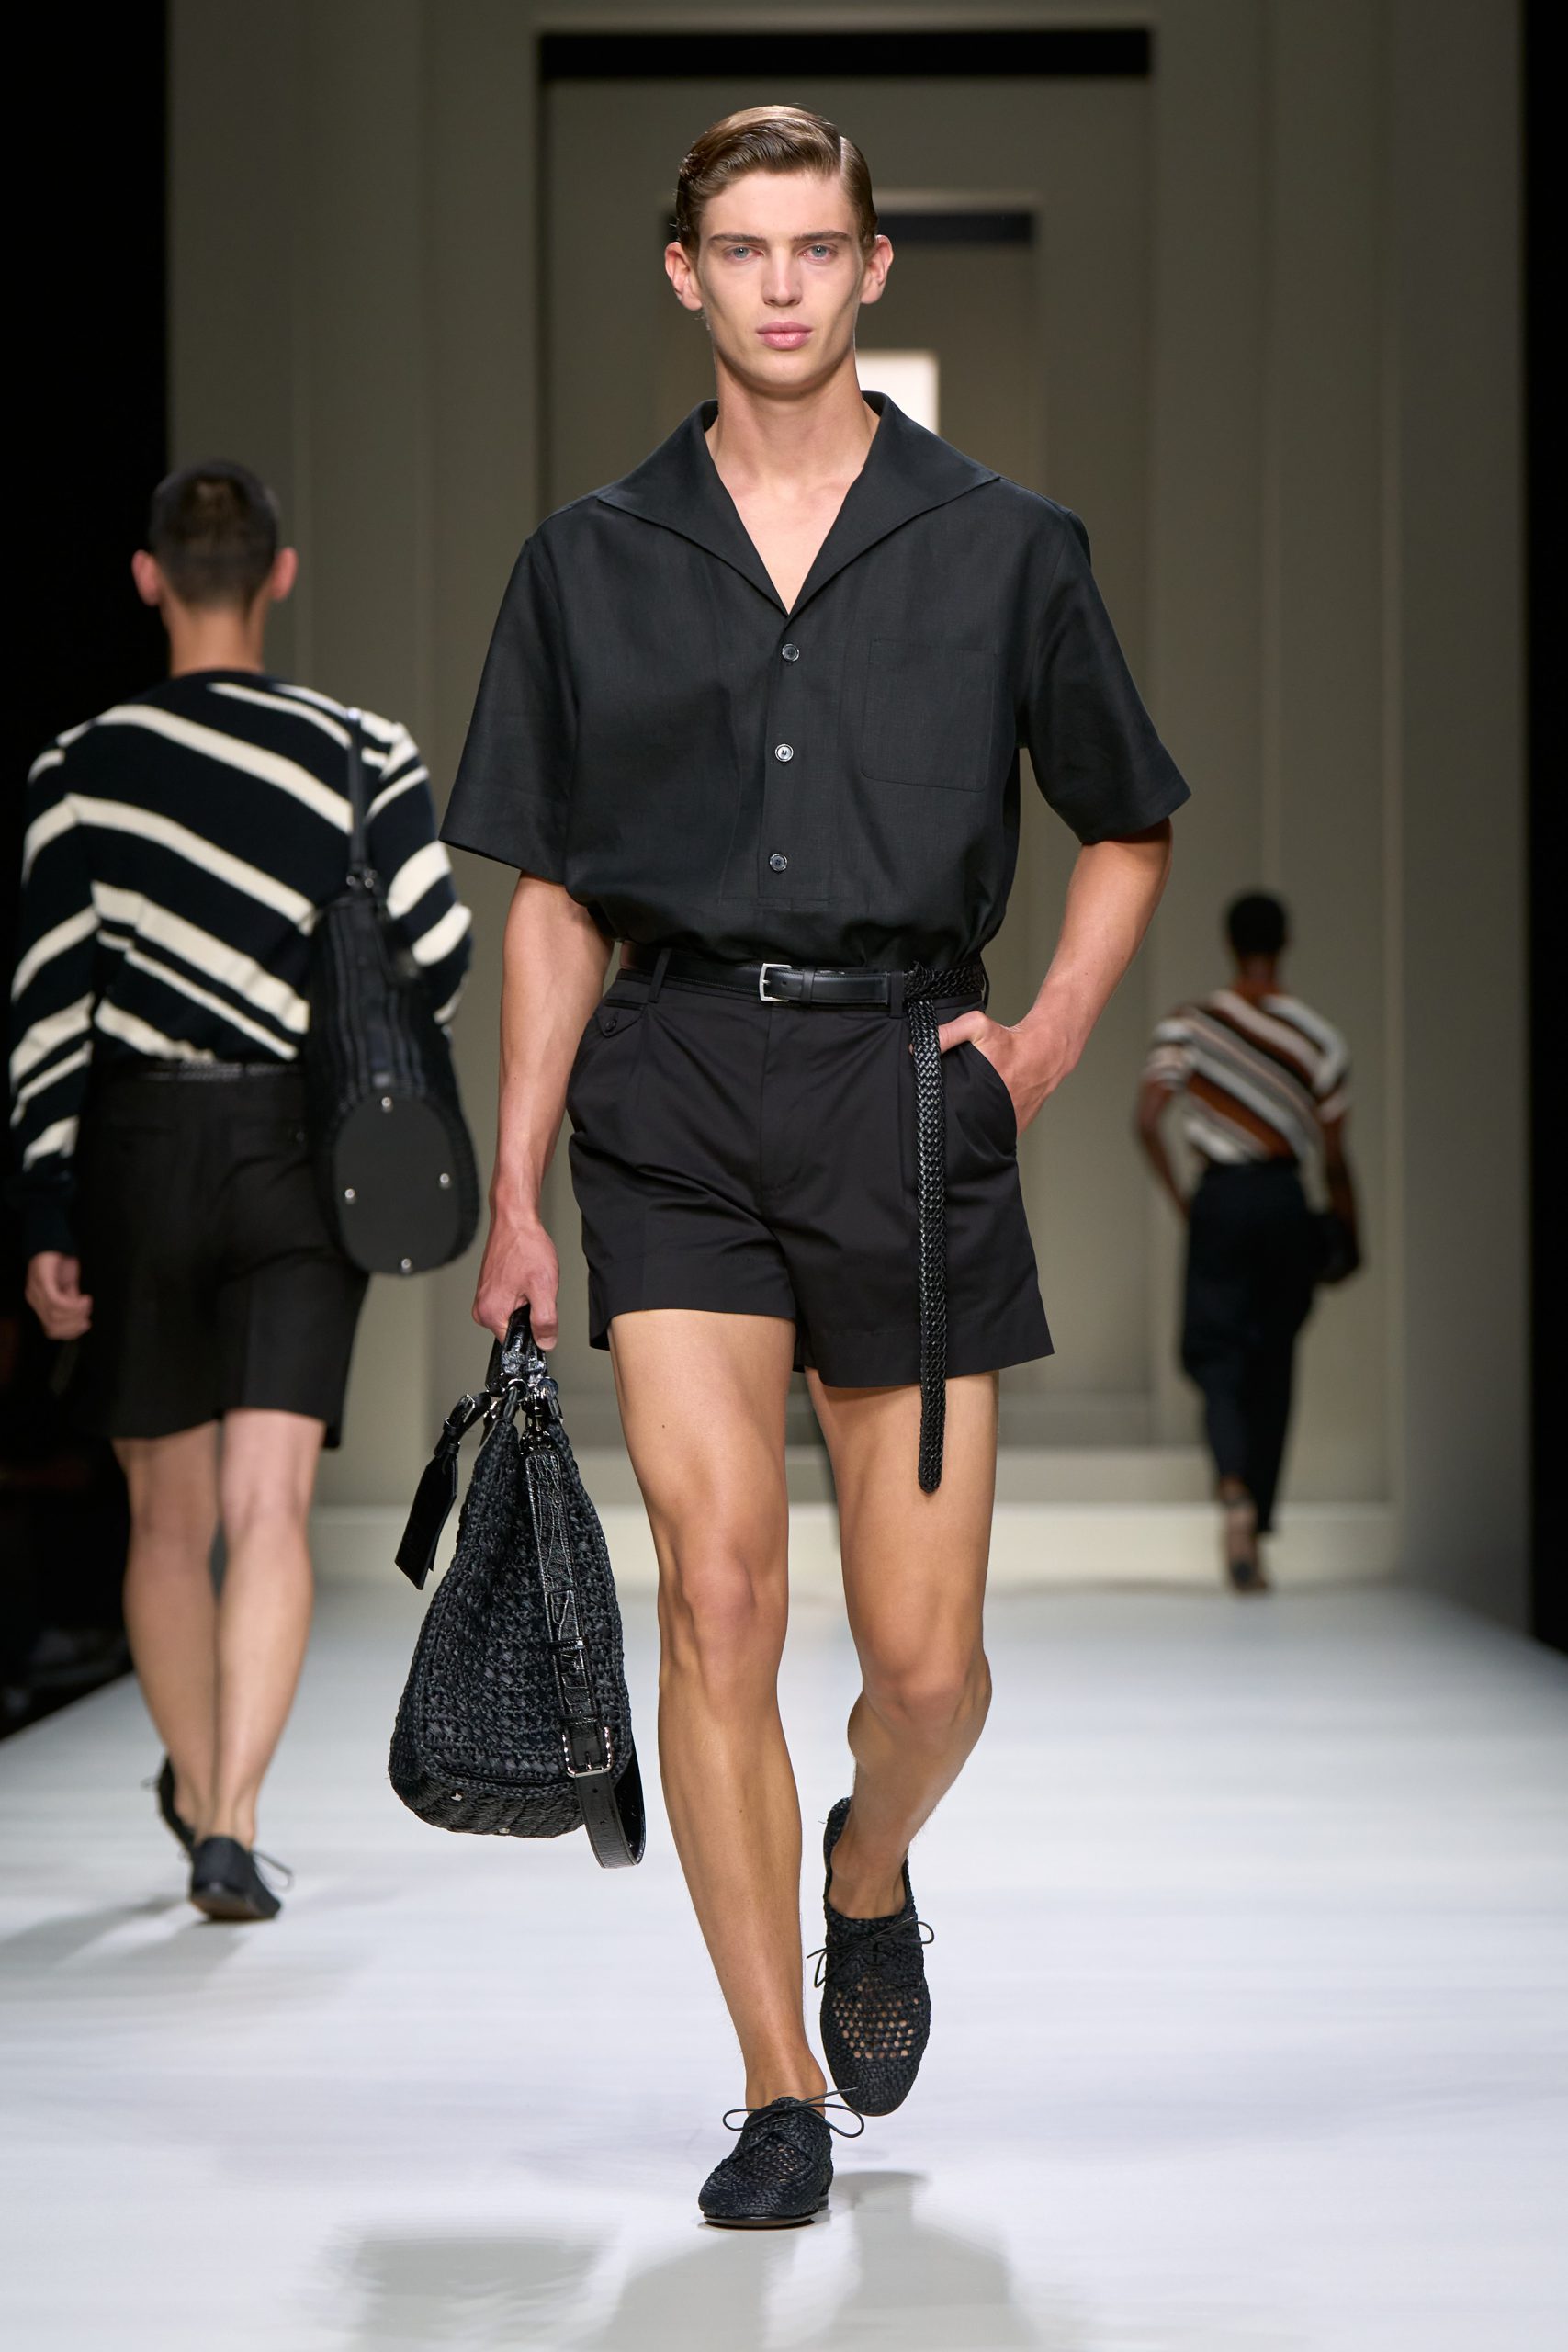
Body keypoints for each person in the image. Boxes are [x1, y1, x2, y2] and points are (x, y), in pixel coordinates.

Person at [444, 106, 1187, 2225]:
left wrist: (1043, 1037)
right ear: (683, 274)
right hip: (669, 1092)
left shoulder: (1005, 543)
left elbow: (1125, 818)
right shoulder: (586, 559)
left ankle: (865, 1864)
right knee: (717, 1591)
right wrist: (516, 1182)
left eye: (814, 245)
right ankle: (773, 2082)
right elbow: (551, 894)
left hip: (903, 1089)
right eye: (741, 248)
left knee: (926, 1664)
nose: (780, 283)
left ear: (870, 266)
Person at [8, 460, 471, 1917]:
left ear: (148, 579)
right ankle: (233, 1822)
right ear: (279, 575)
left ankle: (204, 1793)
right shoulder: (358, 751)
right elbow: (441, 957)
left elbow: (47, 1008)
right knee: (269, 1506)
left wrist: (44, 1207)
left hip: (137, 1153)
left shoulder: (78, 767)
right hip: (297, 1152)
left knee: (167, 1518)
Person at [1136, 890, 1359, 1593]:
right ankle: (1256, 1522)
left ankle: (1231, 1488)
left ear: (1229, 943)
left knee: (1215, 1354)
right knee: (1273, 1361)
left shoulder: (1191, 1026)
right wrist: (1349, 1228)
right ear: (1284, 942)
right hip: (1286, 1201)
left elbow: (1146, 1118)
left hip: (1220, 1198)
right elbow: (1334, 1156)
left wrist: (1183, 1199)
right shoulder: (1318, 1040)